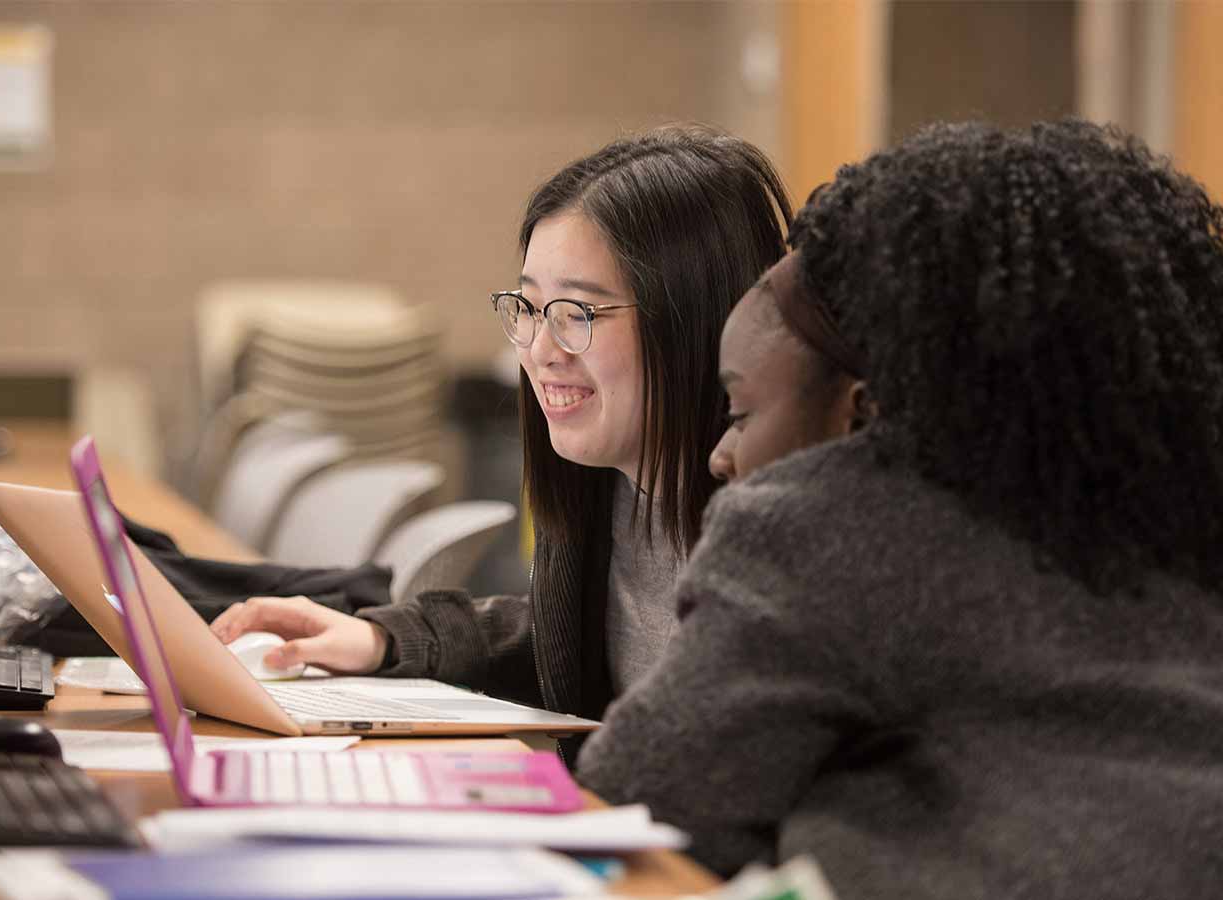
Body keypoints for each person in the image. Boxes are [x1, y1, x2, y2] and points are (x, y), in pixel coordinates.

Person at [577, 119, 1223, 896]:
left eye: (741, 413)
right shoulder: (1168, 518)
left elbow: (643, 793)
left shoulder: (834, 519)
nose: (721, 454)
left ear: (864, 417)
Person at [209, 125, 793, 737]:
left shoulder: (784, 553)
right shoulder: (607, 487)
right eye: (529, 308)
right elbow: (562, 640)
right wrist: (383, 639)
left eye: (577, 313)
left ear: (693, 320)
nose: (540, 350)